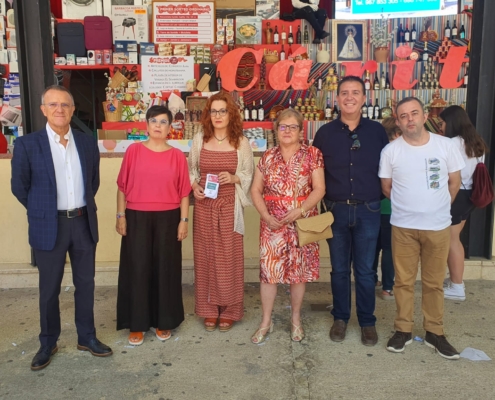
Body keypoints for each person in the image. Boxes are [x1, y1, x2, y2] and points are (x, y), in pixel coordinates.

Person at [11, 85, 112, 371]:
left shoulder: (86, 142)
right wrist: (42, 212)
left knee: (86, 284)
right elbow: (20, 187)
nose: (59, 109)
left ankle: (87, 337)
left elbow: (92, 182)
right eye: (53, 105)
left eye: (65, 105)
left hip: (82, 222)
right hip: (49, 225)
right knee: (49, 289)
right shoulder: (28, 145)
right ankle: (48, 342)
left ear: (71, 110)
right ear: (43, 109)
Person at [379, 97, 465, 359]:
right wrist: (410, 208)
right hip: (403, 227)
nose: (410, 120)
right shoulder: (391, 151)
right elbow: (386, 188)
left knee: (434, 283)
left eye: (414, 113)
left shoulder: (446, 146)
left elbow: (454, 183)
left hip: (437, 227)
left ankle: (434, 332)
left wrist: (435, 208)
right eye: (403, 116)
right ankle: (403, 329)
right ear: (398, 120)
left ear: (425, 115)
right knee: (403, 282)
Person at [312, 76, 389, 346]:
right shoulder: (324, 133)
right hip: (336, 212)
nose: (349, 97)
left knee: (366, 271)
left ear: (364, 98)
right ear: (337, 98)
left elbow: (387, 169)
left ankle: (367, 322)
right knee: (340, 269)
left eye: (355, 92)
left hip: (369, 210)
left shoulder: (377, 131)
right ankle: (341, 318)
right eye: (344, 92)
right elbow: (314, 173)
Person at [116, 105, 191, 346]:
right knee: (137, 269)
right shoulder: (133, 151)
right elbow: (122, 187)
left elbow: (184, 193)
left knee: (165, 270)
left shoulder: (178, 156)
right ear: (146, 125)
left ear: (170, 128)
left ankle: (164, 320)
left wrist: (183, 220)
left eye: (163, 122)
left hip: (169, 218)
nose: (158, 125)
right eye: (154, 121)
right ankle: (137, 323)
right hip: (136, 216)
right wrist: (121, 215)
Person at [250, 109, 325, 344]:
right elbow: (255, 190)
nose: (287, 131)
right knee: (269, 275)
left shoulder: (312, 154)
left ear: (300, 130)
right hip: (272, 224)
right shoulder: (268, 157)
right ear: (276, 129)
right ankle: (266, 321)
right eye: (283, 126)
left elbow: (320, 188)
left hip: (302, 222)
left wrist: (300, 210)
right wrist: (265, 215)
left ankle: (295, 320)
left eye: (292, 127)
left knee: (298, 275)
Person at [188, 91, 254, 332]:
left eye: (222, 111)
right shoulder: (200, 139)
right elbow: (192, 169)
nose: (218, 115)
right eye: (213, 111)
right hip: (205, 205)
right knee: (206, 256)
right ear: (208, 114)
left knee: (229, 259)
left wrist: (234, 177)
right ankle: (208, 310)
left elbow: (249, 173)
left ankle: (229, 310)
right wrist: (195, 186)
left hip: (229, 206)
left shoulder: (241, 142)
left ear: (231, 114)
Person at [438, 106, 488, 301]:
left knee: (451, 240)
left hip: (455, 194)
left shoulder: (450, 143)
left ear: (451, 122)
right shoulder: (475, 141)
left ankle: (457, 287)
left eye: (442, 122)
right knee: (455, 238)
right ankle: (456, 280)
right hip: (469, 195)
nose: (441, 126)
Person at [372, 117, 401, 300]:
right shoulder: (399, 152)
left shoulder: (378, 151)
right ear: (397, 134)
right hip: (392, 207)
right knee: (390, 249)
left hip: (374, 206)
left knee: (373, 247)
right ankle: (388, 287)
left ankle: (373, 279)